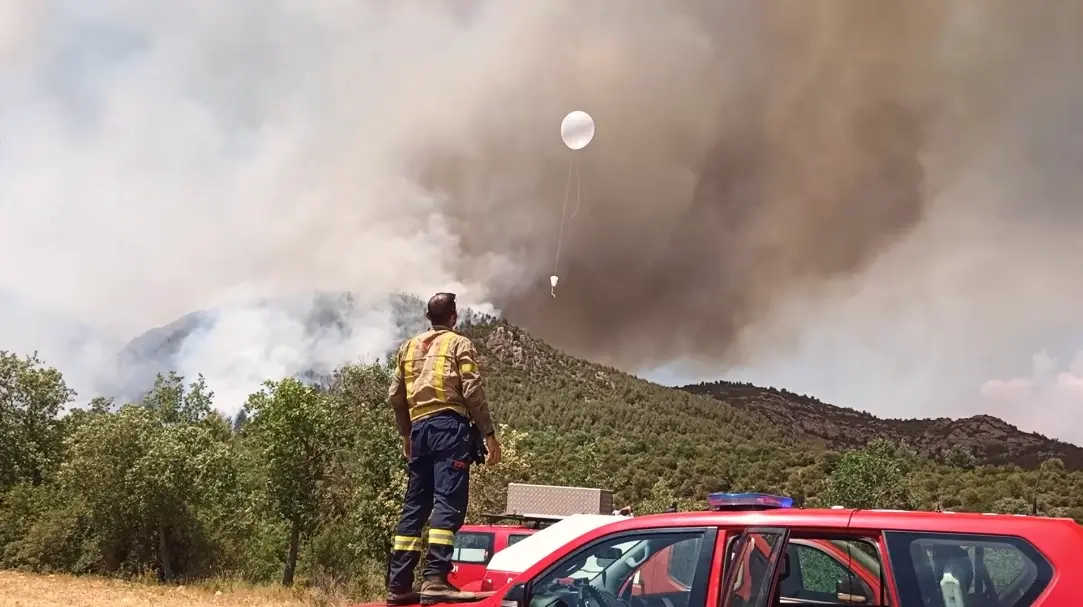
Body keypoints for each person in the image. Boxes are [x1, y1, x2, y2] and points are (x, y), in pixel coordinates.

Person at [385, 292, 502, 606]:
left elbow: (396, 396)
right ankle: (435, 579)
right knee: (448, 503)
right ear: (454, 316)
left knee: (415, 506)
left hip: (419, 430)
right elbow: (472, 389)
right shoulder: (459, 344)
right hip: (449, 428)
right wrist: (489, 433)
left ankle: (399, 585)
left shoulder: (408, 347)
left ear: (428, 317)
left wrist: (406, 435)